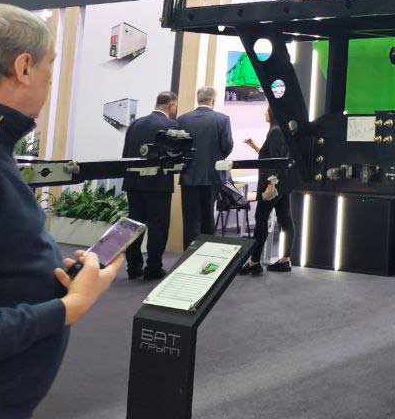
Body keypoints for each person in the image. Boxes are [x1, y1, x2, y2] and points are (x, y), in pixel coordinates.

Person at [0, 5, 121, 419]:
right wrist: (68, 308)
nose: (49, 82)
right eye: (50, 68)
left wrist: (42, 278)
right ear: (23, 67)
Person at [120, 91, 178, 281]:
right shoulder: (170, 126)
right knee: (157, 227)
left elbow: (125, 154)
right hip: (158, 184)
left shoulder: (135, 124)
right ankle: (153, 268)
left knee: (134, 225)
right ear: (171, 105)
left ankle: (133, 267)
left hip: (133, 182)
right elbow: (175, 156)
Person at [239, 106, 298, 276]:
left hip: (272, 185)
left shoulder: (275, 131)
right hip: (283, 184)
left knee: (261, 219)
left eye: (267, 110)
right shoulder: (281, 130)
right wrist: (254, 147)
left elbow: (276, 161)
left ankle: (255, 262)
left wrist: (271, 184)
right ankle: (284, 260)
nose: (264, 113)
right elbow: (271, 157)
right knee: (285, 219)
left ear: (273, 113)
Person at [175, 85, 233, 247]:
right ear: (213, 100)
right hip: (212, 176)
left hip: (188, 175)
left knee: (190, 219)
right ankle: (205, 254)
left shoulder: (182, 119)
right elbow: (227, 146)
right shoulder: (222, 119)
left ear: (198, 99)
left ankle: (188, 254)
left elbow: (177, 148)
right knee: (208, 218)